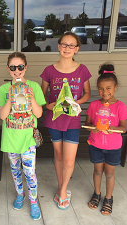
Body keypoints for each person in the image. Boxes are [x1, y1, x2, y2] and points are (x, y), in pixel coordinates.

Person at [40, 32, 92, 209]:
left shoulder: (82, 69)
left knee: (69, 160)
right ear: (58, 46)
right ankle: (62, 188)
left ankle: (63, 189)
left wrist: (76, 103)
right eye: (64, 44)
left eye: (71, 45)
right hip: (54, 120)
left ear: (77, 49)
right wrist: (48, 106)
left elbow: (87, 93)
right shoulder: (49, 70)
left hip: (72, 121)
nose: (67, 48)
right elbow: (42, 96)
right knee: (59, 155)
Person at [0, 52, 46, 220]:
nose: (17, 70)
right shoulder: (3, 89)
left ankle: (33, 201)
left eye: (20, 67)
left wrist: (31, 98)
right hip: (10, 137)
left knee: (30, 172)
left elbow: (38, 114)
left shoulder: (34, 87)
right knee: (15, 170)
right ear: (8, 69)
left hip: (28, 138)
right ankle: (20, 194)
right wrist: (10, 95)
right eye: (13, 67)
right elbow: (2, 116)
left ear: (26, 67)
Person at [85, 63, 127, 215]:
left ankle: (108, 198)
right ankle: (97, 194)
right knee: (97, 171)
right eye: (101, 88)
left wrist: (112, 129)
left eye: (108, 88)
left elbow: (124, 127)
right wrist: (94, 127)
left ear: (115, 87)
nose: (104, 92)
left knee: (109, 173)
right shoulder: (94, 105)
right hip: (96, 144)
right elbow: (88, 123)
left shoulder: (120, 107)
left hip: (113, 147)